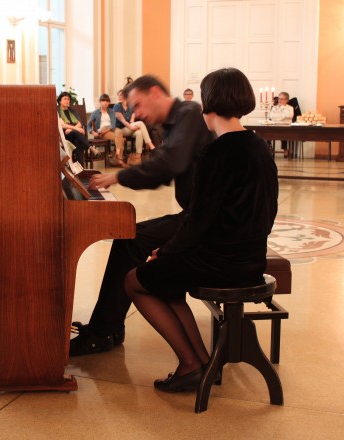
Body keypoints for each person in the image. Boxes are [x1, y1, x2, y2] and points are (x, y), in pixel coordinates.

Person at [125, 67, 278, 392]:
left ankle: (192, 363)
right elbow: (269, 213)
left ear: (209, 102)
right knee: (167, 278)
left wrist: (163, 251)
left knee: (136, 280)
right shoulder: (260, 147)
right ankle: (197, 363)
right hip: (251, 261)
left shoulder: (217, 151)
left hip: (220, 263)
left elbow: (197, 222)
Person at [68, 75, 215, 356]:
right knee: (129, 237)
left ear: (156, 93)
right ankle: (108, 327)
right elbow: (165, 168)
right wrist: (119, 178)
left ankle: (102, 332)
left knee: (131, 239)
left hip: (202, 222)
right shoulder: (177, 120)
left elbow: (170, 162)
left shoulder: (189, 113)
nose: (136, 113)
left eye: (138, 104)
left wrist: (117, 177)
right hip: (196, 216)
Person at [113, 89, 157, 166]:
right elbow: (123, 121)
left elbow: (133, 116)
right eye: (118, 95)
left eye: (121, 95)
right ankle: (150, 144)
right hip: (120, 130)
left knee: (139, 133)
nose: (119, 97)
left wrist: (132, 122)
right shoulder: (117, 106)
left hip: (128, 128)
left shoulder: (130, 105)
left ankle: (138, 157)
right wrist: (131, 126)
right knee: (140, 123)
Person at [57, 91, 90, 165]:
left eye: (68, 99)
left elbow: (79, 123)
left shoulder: (72, 111)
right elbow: (62, 125)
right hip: (64, 134)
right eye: (64, 99)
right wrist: (77, 129)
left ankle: (80, 167)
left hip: (73, 133)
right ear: (60, 101)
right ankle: (89, 146)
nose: (67, 101)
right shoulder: (58, 111)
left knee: (78, 142)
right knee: (76, 133)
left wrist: (72, 129)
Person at [87, 93, 118, 164]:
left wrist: (108, 129)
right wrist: (92, 132)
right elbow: (88, 125)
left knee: (119, 136)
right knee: (119, 138)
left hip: (111, 129)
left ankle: (116, 156)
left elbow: (113, 125)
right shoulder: (95, 113)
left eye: (107, 101)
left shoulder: (112, 111)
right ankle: (117, 158)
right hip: (102, 131)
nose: (105, 103)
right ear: (100, 101)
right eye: (103, 101)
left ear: (109, 102)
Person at [269, 92, 295, 157]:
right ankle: (269, 148)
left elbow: (289, 115)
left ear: (286, 100)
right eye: (279, 99)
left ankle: (285, 149)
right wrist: (282, 117)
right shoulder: (274, 107)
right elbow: (271, 116)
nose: (279, 100)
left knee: (284, 133)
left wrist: (283, 108)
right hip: (275, 126)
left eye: (282, 99)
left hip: (285, 126)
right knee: (267, 132)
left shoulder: (290, 108)